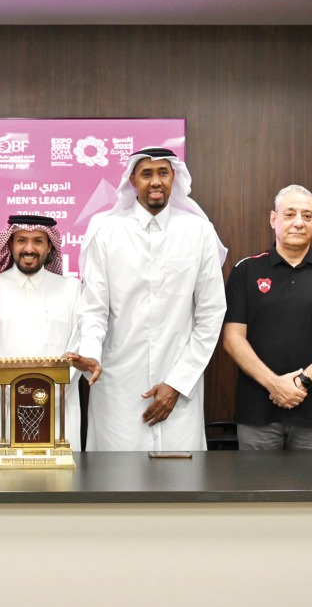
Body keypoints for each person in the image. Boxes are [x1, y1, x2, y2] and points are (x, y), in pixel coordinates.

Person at [76, 146, 227, 451]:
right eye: (146, 174)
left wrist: (178, 383)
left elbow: (211, 314)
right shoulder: (106, 231)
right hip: (118, 384)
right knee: (116, 480)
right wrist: (90, 354)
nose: (155, 181)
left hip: (180, 383)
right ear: (132, 181)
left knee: (180, 483)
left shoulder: (199, 232)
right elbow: (94, 307)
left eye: (163, 173)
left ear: (174, 178)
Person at [223, 185, 312, 451]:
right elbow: (232, 339)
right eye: (290, 214)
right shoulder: (246, 270)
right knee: (257, 491)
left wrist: (301, 383)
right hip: (258, 413)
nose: (299, 222)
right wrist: (274, 384)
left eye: (307, 216)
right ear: (274, 219)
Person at [0, 214, 97, 451]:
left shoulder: (72, 289)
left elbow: (79, 347)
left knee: (59, 484)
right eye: (21, 240)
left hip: (58, 405)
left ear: (50, 247)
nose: (29, 248)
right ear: (10, 245)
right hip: (1, 405)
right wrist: (15, 393)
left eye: (38, 241)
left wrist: (50, 394)